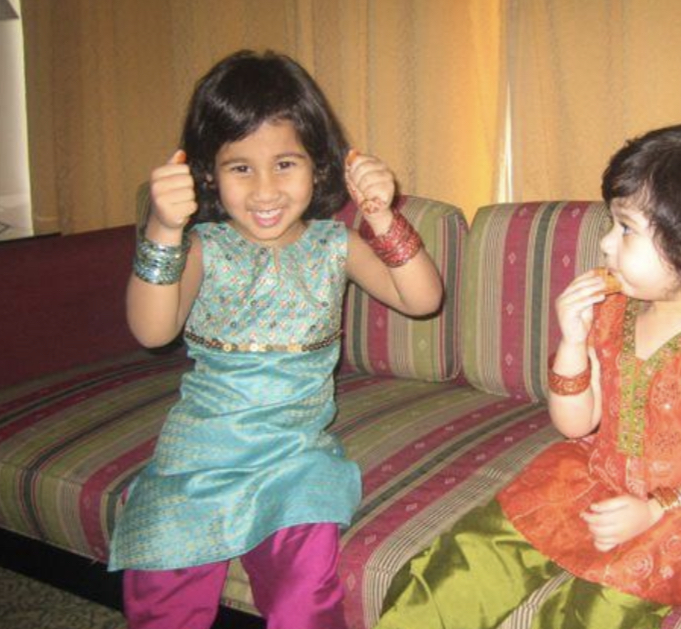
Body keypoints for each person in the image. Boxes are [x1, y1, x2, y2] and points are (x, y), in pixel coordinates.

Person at [375, 122, 681, 629]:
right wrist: (573, 343)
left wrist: (657, 511)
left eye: (626, 229)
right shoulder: (612, 311)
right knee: (468, 560)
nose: (604, 244)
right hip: (597, 476)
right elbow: (577, 426)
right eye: (611, 224)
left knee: (599, 610)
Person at [108, 50, 443, 629]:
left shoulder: (333, 245)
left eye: (285, 163)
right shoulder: (205, 248)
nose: (265, 191)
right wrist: (163, 227)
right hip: (201, 460)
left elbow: (422, 298)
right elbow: (151, 329)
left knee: (303, 598)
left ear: (319, 166)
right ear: (208, 174)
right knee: (161, 592)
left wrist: (382, 215)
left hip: (296, 461)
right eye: (241, 168)